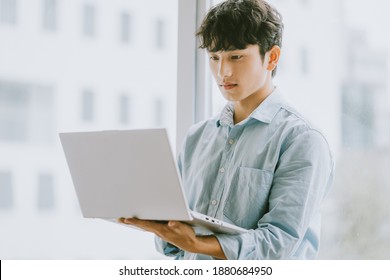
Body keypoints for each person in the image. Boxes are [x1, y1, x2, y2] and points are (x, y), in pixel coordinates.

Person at [120, 0, 334, 260]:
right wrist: (161, 227)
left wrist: (199, 244)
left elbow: (279, 243)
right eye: (214, 57)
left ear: (272, 57)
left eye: (236, 56)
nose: (223, 71)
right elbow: (176, 247)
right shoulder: (197, 138)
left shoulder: (302, 140)